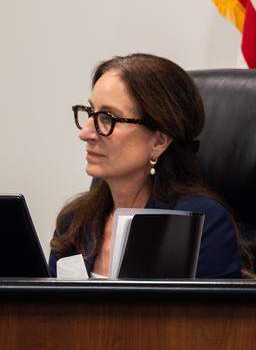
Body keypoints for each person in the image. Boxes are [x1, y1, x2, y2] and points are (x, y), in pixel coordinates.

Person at [50, 54, 245, 278]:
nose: (86, 133)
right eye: (91, 112)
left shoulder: (200, 225)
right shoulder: (74, 222)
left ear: (159, 141)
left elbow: (208, 314)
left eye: (107, 118)